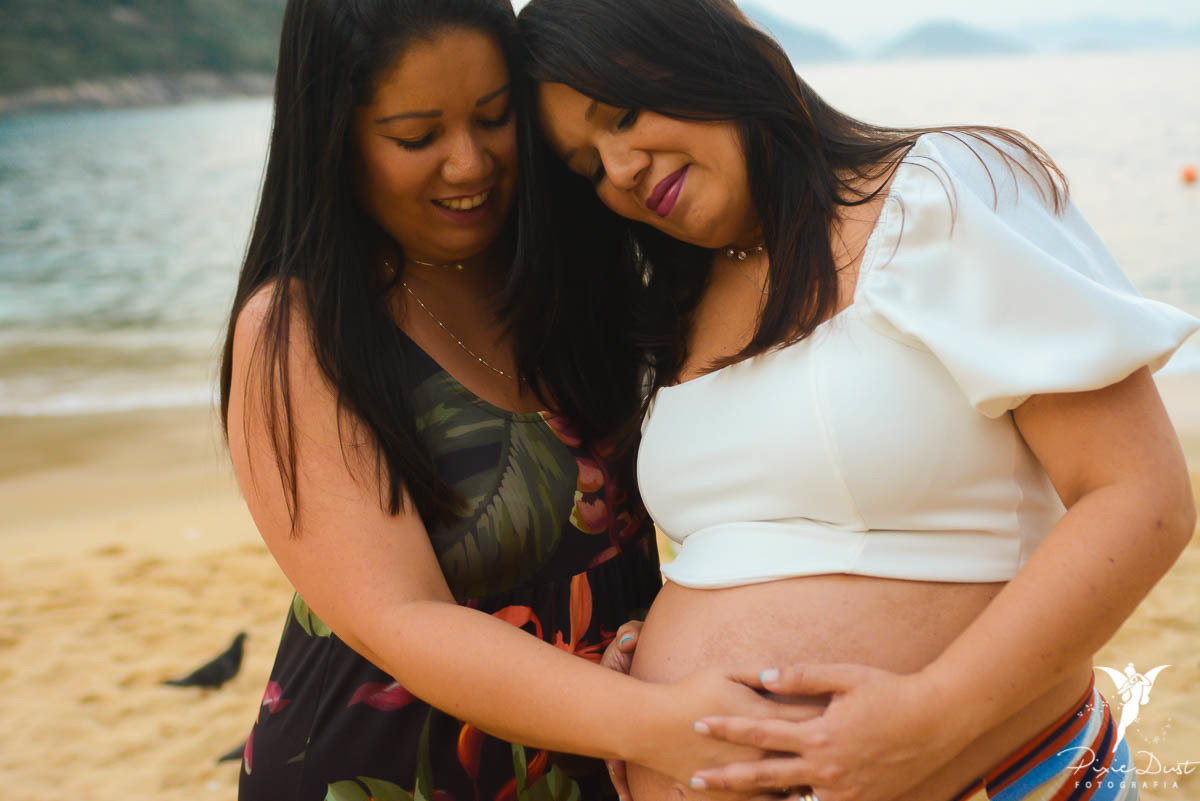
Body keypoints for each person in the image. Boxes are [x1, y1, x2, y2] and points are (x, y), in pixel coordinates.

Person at [519, 1, 1200, 800]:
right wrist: (666, 640)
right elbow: (771, 532)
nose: (620, 168)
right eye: (589, 167)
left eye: (624, 115)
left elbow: (1140, 495)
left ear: (710, 45)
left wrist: (929, 718)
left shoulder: (942, 195)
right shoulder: (675, 305)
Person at [219, 0, 809, 799]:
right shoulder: (299, 328)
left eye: (495, 119)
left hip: (611, 760)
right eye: (417, 137)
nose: (469, 165)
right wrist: (664, 722)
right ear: (333, 137)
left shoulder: (573, 263)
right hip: (388, 770)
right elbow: (400, 617)